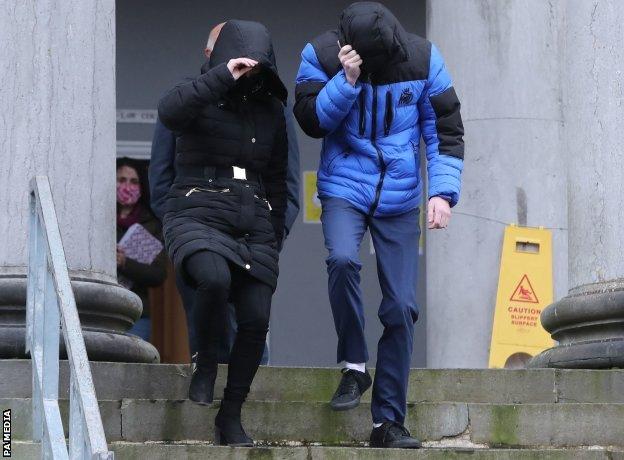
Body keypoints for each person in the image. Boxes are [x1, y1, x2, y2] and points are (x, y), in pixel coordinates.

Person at [294, 2, 464, 449]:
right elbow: (311, 121)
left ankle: (387, 423)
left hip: (401, 196)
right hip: (344, 186)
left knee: (402, 307)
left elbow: (444, 129)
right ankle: (354, 365)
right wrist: (346, 82)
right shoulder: (320, 53)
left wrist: (442, 193)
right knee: (343, 260)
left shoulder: (425, 58)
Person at [158, 19, 289, 446]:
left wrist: (273, 235)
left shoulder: (270, 110)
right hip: (195, 212)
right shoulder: (194, 94)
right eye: (240, 63)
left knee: (256, 318)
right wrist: (221, 76)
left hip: (252, 224)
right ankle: (206, 365)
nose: (247, 73)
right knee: (213, 279)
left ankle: (230, 416)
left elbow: (277, 177)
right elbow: (170, 112)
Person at [116, 158, 167, 342]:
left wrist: (124, 263)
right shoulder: (100, 217)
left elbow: (158, 274)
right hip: (101, 306)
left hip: (137, 312)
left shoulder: (152, 225)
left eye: (133, 181)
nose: (127, 186)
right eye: (121, 180)